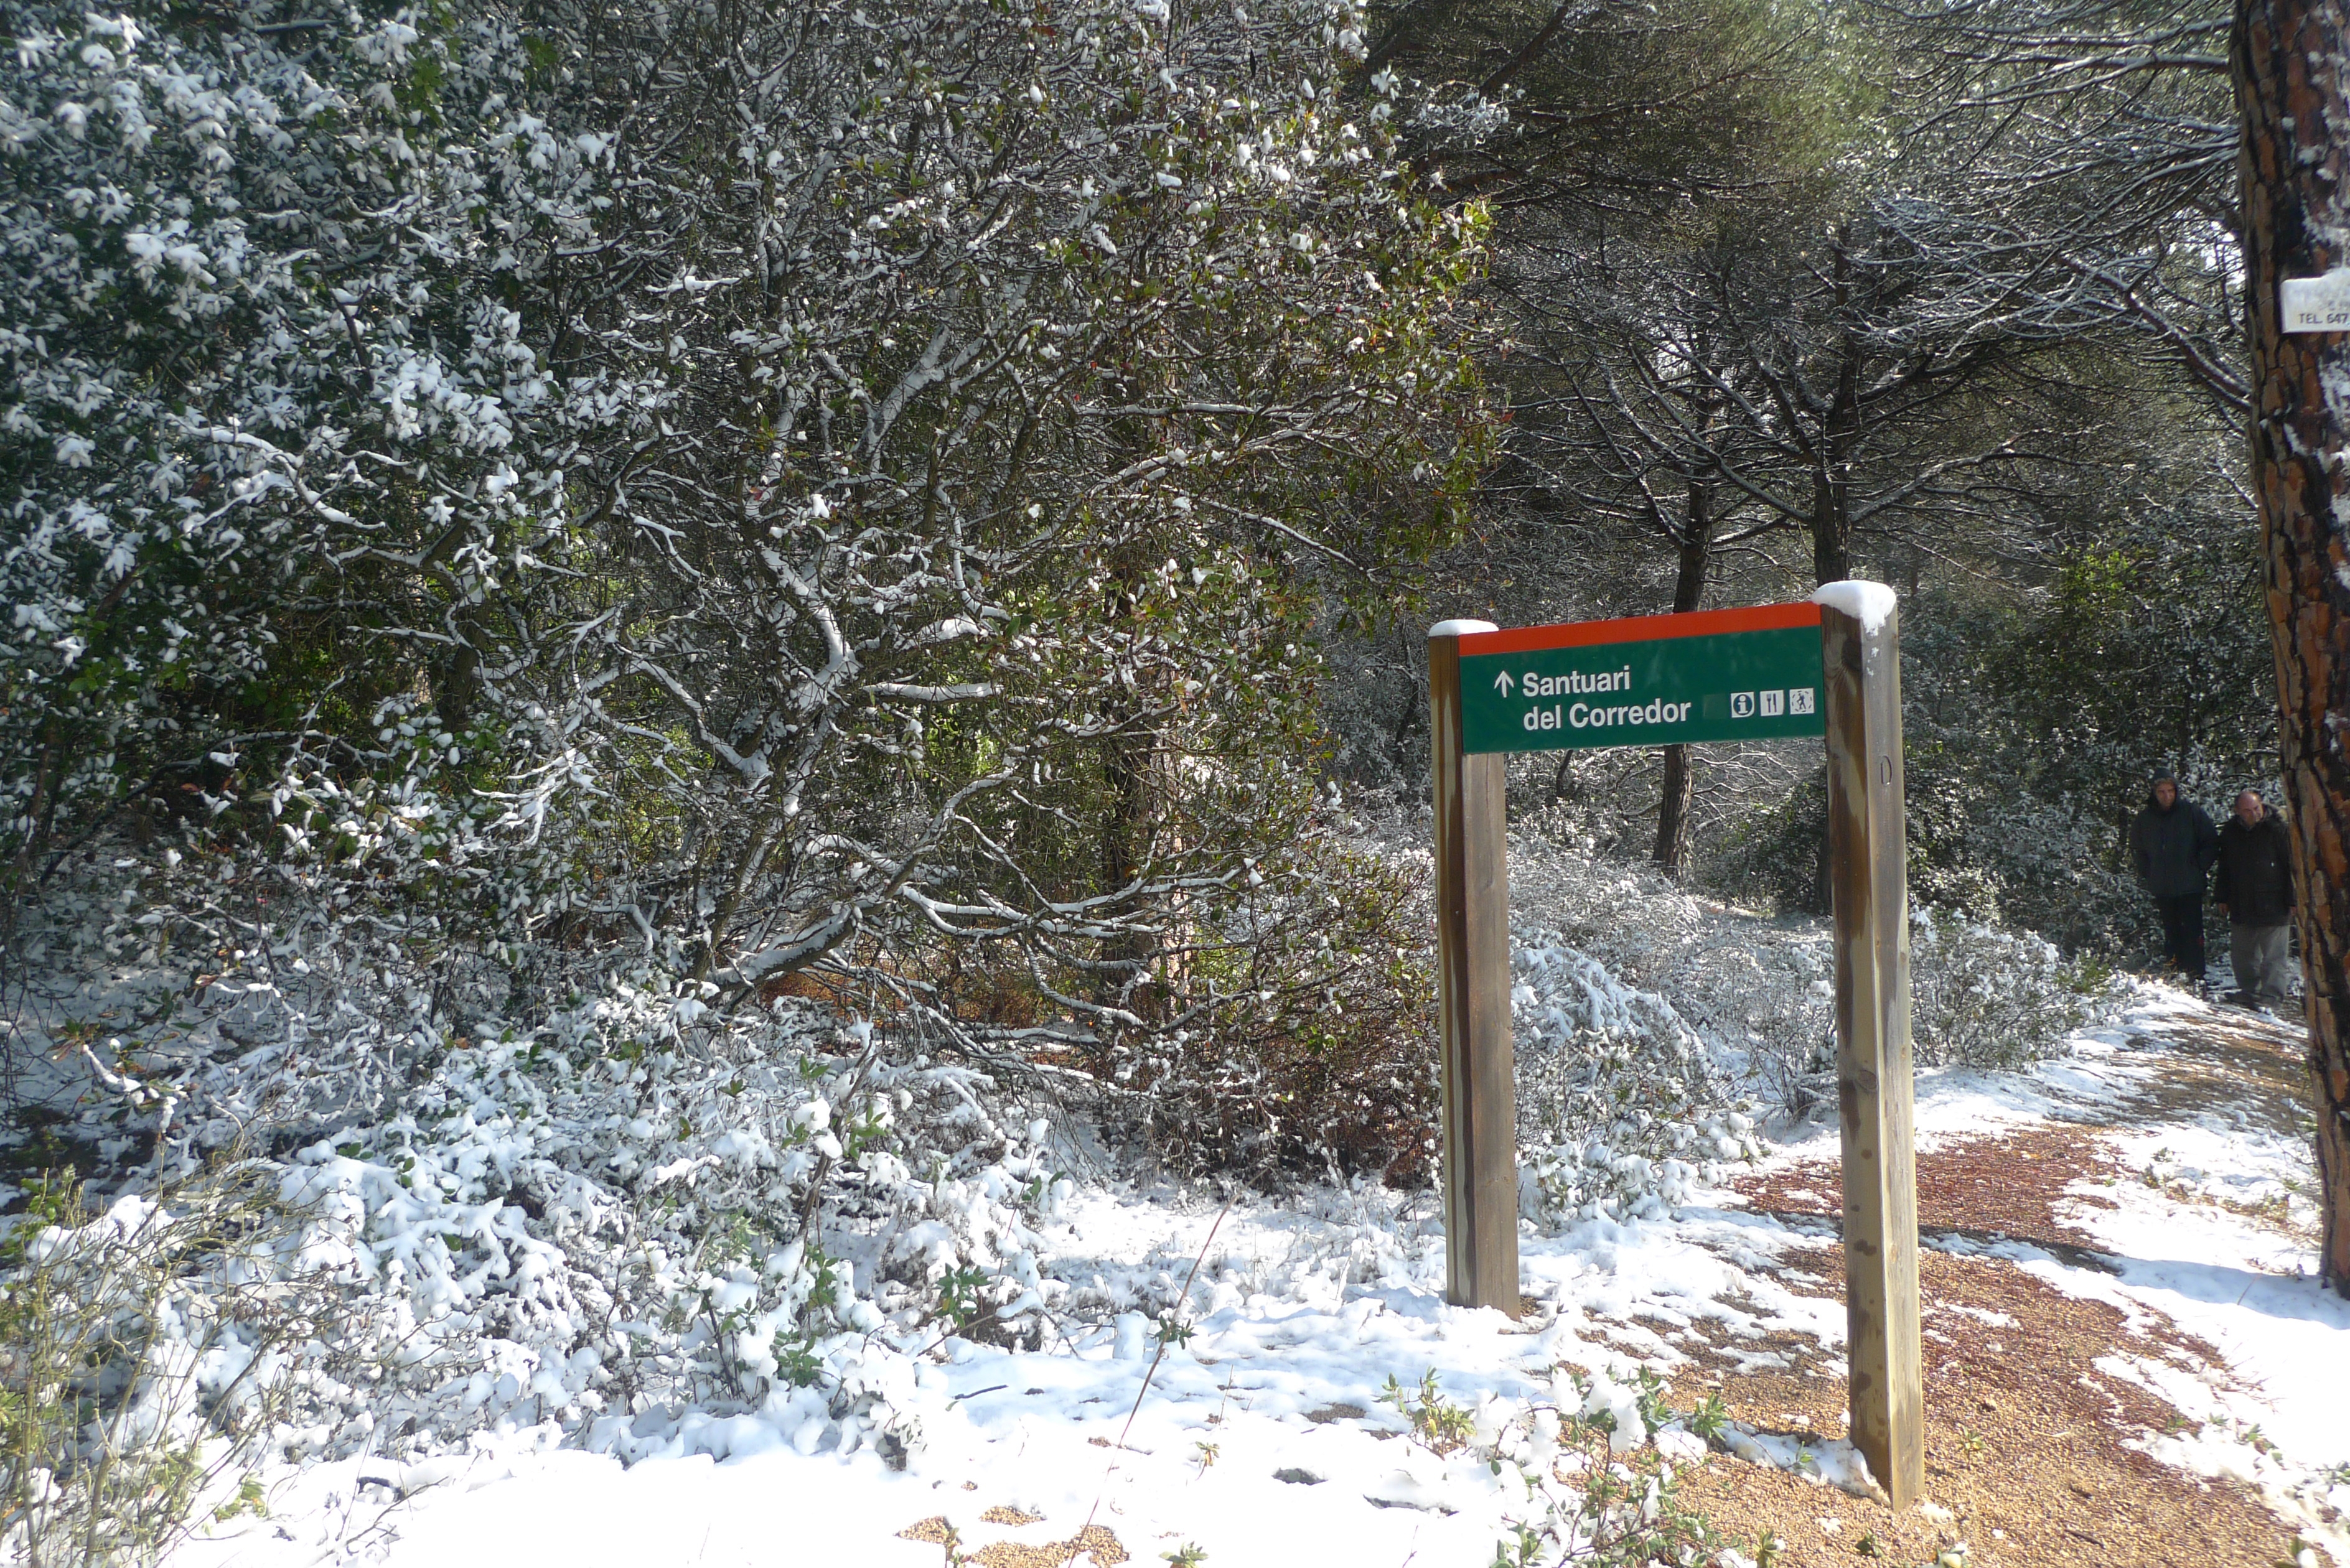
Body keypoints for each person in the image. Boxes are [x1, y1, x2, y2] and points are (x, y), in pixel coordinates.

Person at [2131, 773, 2218, 993]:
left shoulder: (2191, 813)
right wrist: (2148, 873)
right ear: (2154, 793)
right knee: (2171, 933)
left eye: (2170, 791)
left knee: (2193, 934)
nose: (2166, 796)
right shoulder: (2145, 819)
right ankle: (2174, 977)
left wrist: (2198, 867)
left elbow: (2211, 842)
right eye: (2161, 792)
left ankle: (2196, 978)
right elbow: (2137, 849)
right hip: (2162, 886)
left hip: (2190, 886)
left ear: (2176, 791)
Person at [2216, 788, 2297, 1007]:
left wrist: (2293, 899)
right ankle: (2250, 992)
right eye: (2248, 811)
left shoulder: (2278, 828)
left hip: (2275, 901)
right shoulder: (2231, 832)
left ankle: (2272, 998)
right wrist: (2222, 897)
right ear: (2237, 811)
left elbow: (2291, 866)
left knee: (2274, 956)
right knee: (2242, 954)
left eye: (2256, 808)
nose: (2254, 813)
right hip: (2241, 902)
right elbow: (2224, 867)